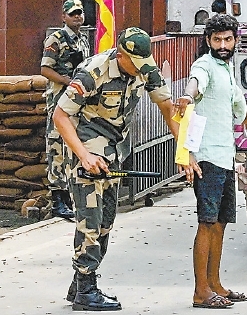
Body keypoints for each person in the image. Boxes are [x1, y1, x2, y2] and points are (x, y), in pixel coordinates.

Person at [53, 27, 179, 311]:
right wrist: (84, 155)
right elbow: (60, 115)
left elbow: (166, 106)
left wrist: (185, 150)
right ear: (120, 55)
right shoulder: (93, 72)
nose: (140, 70)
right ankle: (86, 290)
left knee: (106, 221)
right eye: (134, 63)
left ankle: (80, 281)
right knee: (91, 220)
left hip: (114, 152)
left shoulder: (145, 68)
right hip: (85, 150)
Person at [175, 14, 247, 310]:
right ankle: (201, 292)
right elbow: (196, 83)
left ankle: (215, 285)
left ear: (236, 41)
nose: (222, 45)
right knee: (206, 223)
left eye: (227, 39)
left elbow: (236, 99)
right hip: (207, 157)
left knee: (221, 224)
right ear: (208, 41)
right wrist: (187, 96)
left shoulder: (227, 69)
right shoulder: (206, 65)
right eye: (216, 40)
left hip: (225, 157)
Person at [40, 0, 92, 220]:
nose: (77, 17)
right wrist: (65, 81)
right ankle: (58, 200)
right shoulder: (56, 39)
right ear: (64, 17)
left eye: (80, 13)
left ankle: (71, 195)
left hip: (77, 103)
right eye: (73, 14)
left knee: (73, 145)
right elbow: (45, 69)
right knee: (56, 146)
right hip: (60, 101)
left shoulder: (82, 40)